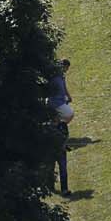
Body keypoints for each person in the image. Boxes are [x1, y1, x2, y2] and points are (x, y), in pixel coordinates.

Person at [49, 58, 72, 194]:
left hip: (58, 149)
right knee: (55, 167)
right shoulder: (58, 126)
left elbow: (66, 136)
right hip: (57, 149)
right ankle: (52, 187)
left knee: (60, 168)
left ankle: (62, 189)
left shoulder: (60, 125)